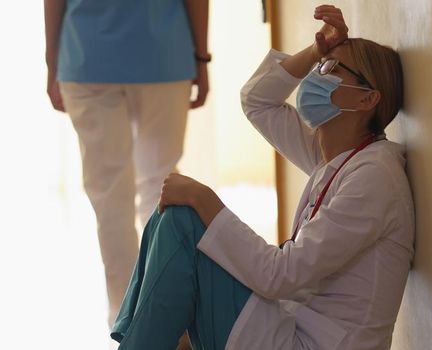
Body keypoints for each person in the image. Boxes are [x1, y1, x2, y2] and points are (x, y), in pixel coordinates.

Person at [109, 5, 413, 350]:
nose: (316, 74)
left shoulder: (374, 177)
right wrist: (316, 50)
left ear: (367, 98)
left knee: (184, 220)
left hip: (309, 343)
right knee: (174, 217)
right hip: (290, 327)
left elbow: (279, 276)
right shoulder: (334, 159)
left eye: (329, 67)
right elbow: (257, 100)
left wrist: (206, 201)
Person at [42, 0, 210, 331]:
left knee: (110, 203)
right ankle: (164, 318)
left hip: (86, 55)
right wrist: (202, 58)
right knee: (161, 192)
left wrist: (52, 64)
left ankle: (127, 324)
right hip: (163, 53)